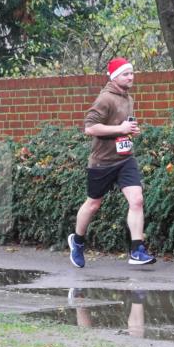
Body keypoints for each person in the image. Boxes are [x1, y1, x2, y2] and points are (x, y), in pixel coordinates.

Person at [68, 57, 155, 267]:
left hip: (125, 159)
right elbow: (90, 127)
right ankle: (77, 241)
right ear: (115, 77)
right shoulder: (105, 99)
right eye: (126, 74)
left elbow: (123, 126)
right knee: (93, 204)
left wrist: (130, 130)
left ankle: (137, 250)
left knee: (136, 200)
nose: (131, 77)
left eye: (132, 73)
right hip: (102, 162)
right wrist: (120, 129)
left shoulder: (128, 98)